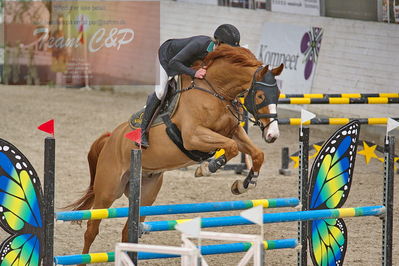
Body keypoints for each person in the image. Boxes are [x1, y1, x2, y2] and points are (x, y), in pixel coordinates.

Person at [140, 24, 241, 148]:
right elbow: (174, 63)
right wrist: (194, 72)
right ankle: (142, 132)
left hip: (185, 63)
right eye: (229, 48)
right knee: (161, 92)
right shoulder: (200, 44)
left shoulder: (218, 52)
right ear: (219, 43)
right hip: (167, 58)